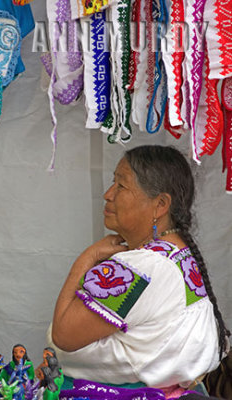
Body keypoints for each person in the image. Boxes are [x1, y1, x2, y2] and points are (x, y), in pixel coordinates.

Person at [47, 145, 230, 393]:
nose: (108, 194)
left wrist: (86, 259)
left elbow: (64, 336)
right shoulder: (180, 253)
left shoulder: (141, 267)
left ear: (160, 204)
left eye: (121, 186)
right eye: (113, 182)